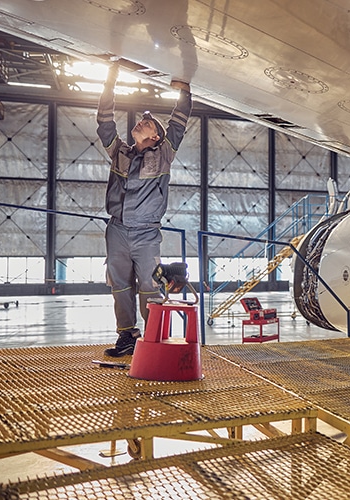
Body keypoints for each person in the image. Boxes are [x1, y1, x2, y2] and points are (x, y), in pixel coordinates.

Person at [97, 63, 192, 357]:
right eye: (141, 121)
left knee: (150, 287)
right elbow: (104, 122)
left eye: (147, 124)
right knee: (119, 286)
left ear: (156, 137)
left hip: (147, 233)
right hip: (117, 230)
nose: (140, 123)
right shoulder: (119, 152)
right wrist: (109, 83)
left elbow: (178, 123)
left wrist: (184, 91)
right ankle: (127, 336)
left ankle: (154, 341)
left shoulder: (164, 154)